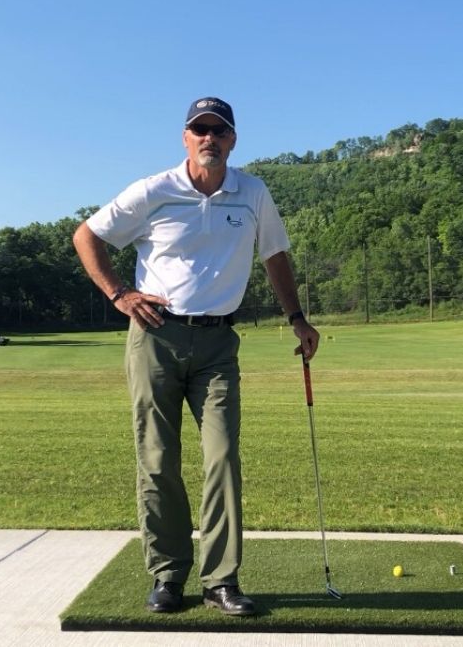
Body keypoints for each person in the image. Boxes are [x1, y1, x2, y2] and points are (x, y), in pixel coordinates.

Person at [72, 97, 319, 617]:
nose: (209, 137)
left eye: (218, 130)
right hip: (155, 337)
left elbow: (274, 254)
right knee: (158, 460)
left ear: (232, 140)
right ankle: (167, 575)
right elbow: (87, 236)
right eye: (199, 129)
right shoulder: (154, 190)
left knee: (222, 456)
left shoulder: (252, 193)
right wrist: (121, 295)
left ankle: (221, 580)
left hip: (217, 344)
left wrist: (296, 318)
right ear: (185, 138)